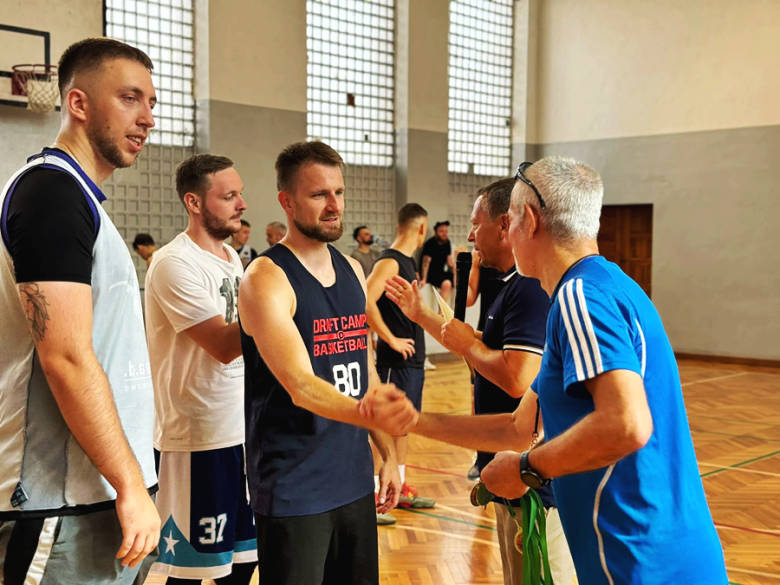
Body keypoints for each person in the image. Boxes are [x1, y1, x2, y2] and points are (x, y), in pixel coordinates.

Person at [366, 157, 729, 584]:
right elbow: (520, 428)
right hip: (665, 549)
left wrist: (526, 470)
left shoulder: (580, 294)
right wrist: (417, 421)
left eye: (510, 219)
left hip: (637, 558)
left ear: (529, 220)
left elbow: (626, 423)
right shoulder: (603, 287)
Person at [0, 38, 160, 583]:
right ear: (78, 103)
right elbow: (65, 357)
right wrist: (131, 484)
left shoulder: (81, 201)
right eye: (130, 98)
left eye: (152, 103)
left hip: (100, 493)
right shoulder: (51, 194)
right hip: (58, 499)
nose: (146, 118)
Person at [367, 179, 575, 585]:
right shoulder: (513, 285)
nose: (468, 234)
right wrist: (425, 317)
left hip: (533, 480)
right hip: (508, 463)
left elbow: (518, 377)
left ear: (505, 225)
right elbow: (483, 343)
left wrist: (468, 348)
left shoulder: (530, 289)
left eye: (475, 224)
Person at [238, 140, 417, 585]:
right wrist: (370, 413)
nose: (334, 205)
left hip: (352, 479)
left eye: (338, 192)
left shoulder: (354, 271)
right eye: (319, 194)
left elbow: (366, 372)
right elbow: (300, 384)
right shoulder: (267, 277)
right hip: (293, 486)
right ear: (287, 200)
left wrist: (388, 454)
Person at [144, 154, 257, 584]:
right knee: (188, 571)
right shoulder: (174, 263)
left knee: (241, 565)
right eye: (229, 196)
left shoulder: (232, 257)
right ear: (194, 202)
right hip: (196, 439)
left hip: (241, 431)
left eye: (240, 193)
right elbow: (225, 345)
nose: (241, 204)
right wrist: (287, 307)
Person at [365, 203, 435, 525]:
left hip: (413, 360)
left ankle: (399, 488)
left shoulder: (407, 262)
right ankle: (373, 495)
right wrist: (390, 338)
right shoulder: (391, 261)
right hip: (395, 361)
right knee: (385, 427)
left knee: (403, 427)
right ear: (421, 229)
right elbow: (364, 298)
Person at [465, 249, 504, 481]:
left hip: (511, 337)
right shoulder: (479, 254)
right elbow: (469, 296)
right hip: (483, 335)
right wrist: (464, 268)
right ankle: (480, 459)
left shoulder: (522, 256)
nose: (473, 234)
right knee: (477, 399)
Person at [420, 220, 454, 303]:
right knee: (447, 284)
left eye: (446, 231)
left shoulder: (447, 243)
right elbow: (425, 263)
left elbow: (449, 262)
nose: (444, 234)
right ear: (435, 232)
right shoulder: (430, 244)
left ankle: (454, 311)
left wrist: (456, 277)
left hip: (441, 272)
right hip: (431, 273)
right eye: (441, 231)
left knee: (460, 282)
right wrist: (423, 279)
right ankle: (441, 313)